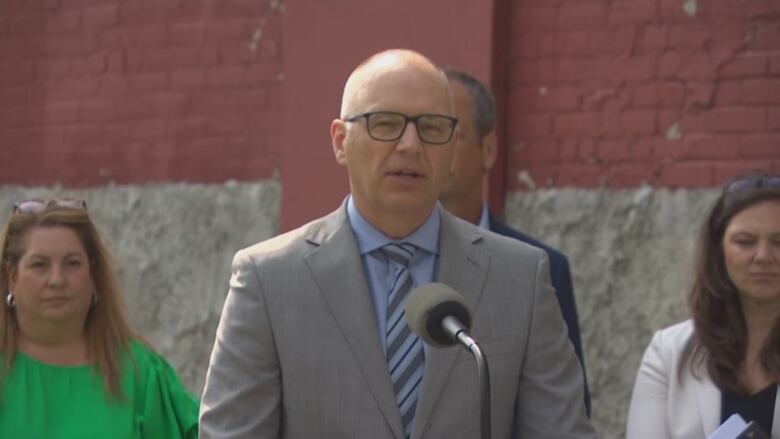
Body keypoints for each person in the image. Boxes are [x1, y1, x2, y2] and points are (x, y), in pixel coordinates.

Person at [200, 49, 595, 439]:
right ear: (340, 140)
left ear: (454, 144)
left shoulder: (520, 277)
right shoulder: (269, 280)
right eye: (385, 124)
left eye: (432, 127)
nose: (410, 145)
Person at [439, 67, 590, 414]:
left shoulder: (540, 268)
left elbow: (562, 412)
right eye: (425, 130)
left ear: (488, 149)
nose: (426, 147)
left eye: (449, 131)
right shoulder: (383, 259)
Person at [0, 199, 199, 438]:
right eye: (40, 265)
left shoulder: (140, 372)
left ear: (93, 275)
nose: (57, 279)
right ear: (12, 277)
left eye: (72, 264)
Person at [626, 173, 780, 438]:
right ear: (718, 250)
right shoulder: (668, 353)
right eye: (745, 242)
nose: (763, 256)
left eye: (779, 242)